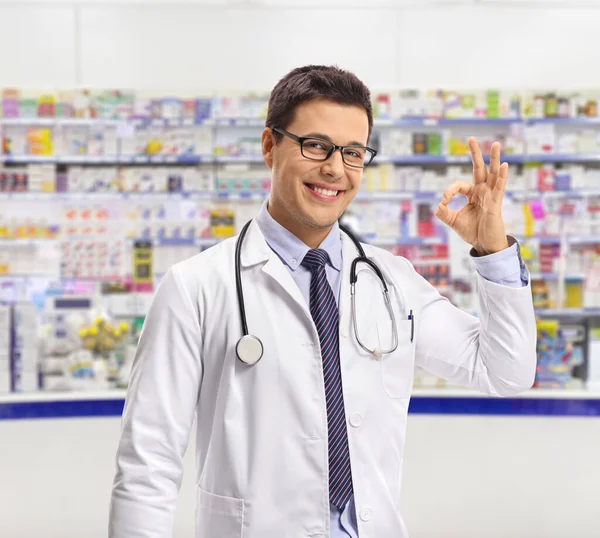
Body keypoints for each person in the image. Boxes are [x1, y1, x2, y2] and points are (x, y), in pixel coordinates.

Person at [109, 65, 536, 538]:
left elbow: (505, 372)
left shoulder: (391, 281)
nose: (335, 169)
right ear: (270, 146)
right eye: (316, 145)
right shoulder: (195, 287)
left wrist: (494, 252)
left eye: (353, 153)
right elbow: (148, 466)